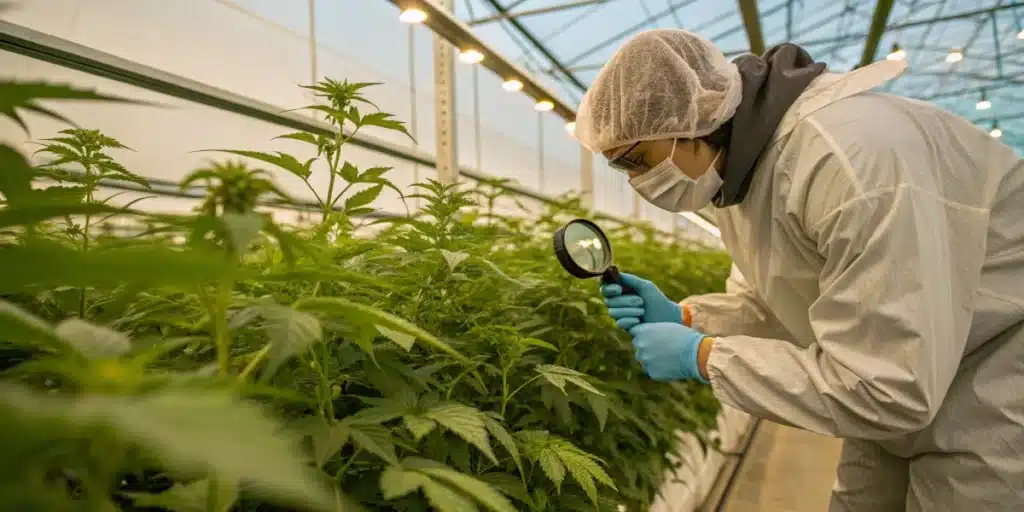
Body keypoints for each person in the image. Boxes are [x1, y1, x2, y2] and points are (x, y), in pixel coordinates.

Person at [574, 28, 1024, 511]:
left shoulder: (848, 163)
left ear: (694, 118)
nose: (639, 182)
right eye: (621, 169)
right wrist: (690, 320)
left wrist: (704, 357)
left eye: (638, 160)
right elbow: (777, 300)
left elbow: (889, 387)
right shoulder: (734, 176)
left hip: (989, 382)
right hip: (895, 375)